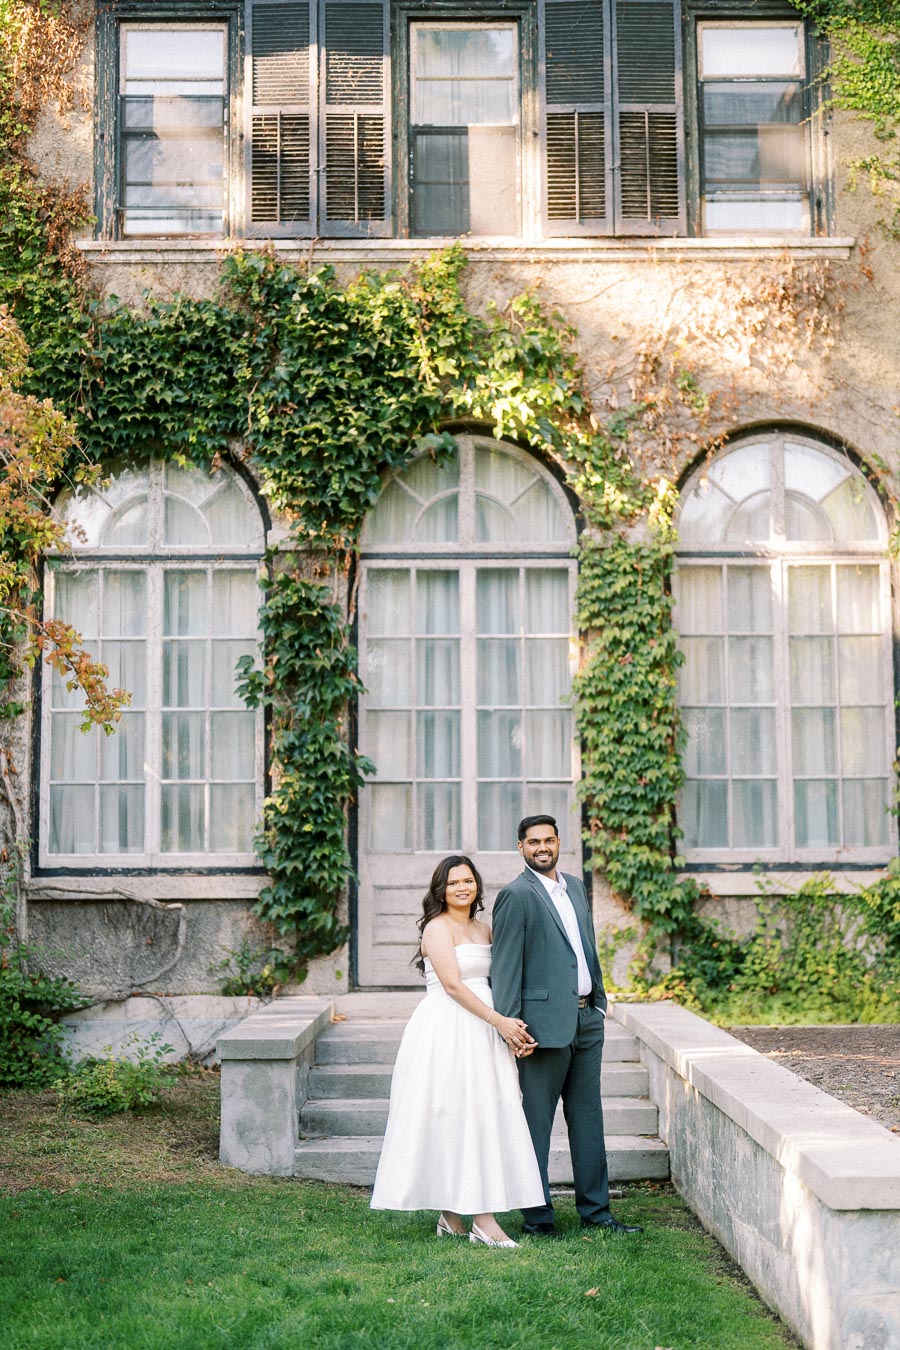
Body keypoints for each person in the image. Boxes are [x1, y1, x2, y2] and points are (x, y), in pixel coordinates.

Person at [370, 854, 545, 1247]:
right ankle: (485, 1221)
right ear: (441, 890)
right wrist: (498, 1021)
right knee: (455, 1113)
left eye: (467, 881)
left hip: (483, 1028)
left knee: (481, 1113)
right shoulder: (436, 928)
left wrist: (509, 1024)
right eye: (453, 883)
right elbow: (451, 984)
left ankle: (452, 1217)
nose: (462, 888)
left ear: (477, 886)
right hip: (448, 1029)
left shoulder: (485, 930)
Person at [491, 815, 643, 1238]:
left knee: (588, 1118)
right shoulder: (515, 895)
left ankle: (598, 1213)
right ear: (520, 847)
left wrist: (597, 1001)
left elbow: (584, 947)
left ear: (560, 843)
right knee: (536, 1124)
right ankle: (538, 1218)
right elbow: (505, 967)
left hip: (586, 1020)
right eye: (534, 841)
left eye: (550, 840)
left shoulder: (574, 886)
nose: (543, 847)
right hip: (539, 1028)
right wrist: (510, 1026)